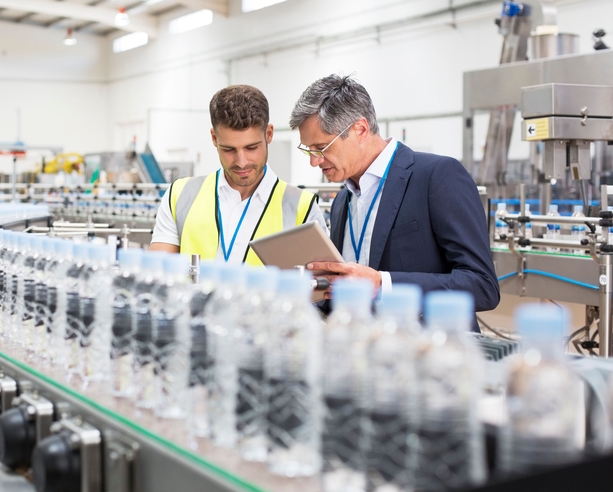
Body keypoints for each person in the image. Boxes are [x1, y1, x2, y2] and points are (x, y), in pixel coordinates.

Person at [290, 74, 499, 319]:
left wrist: (382, 284)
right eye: (309, 151)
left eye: (321, 148)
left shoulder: (436, 176)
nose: (315, 161)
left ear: (360, 129)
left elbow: (482, 285)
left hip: (428, 349)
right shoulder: (342, 201)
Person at [150, 84, 327, 265]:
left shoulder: (302, 208)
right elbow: (157, 275)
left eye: (251, 148)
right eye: (229, 149)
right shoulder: (180, 196)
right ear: (214, 138)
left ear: (269, 134)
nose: (241, 162)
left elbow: (316, 288)